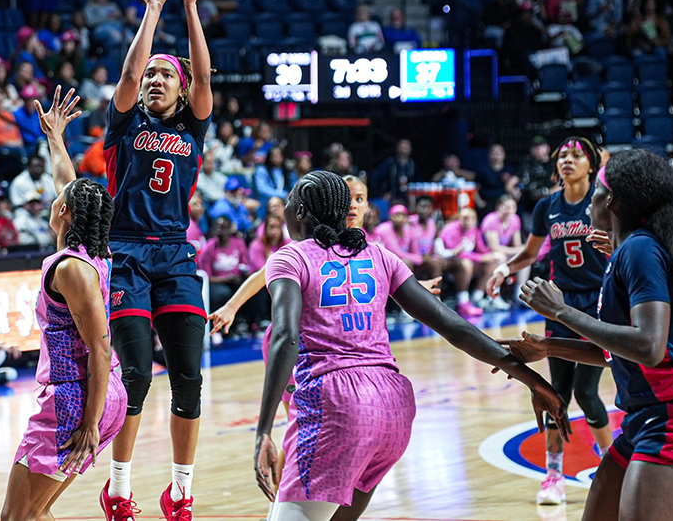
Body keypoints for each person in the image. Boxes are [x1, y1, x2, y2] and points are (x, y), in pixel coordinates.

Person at [253, 171, 568, 521]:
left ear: (298, 212)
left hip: (338, 405)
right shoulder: (378, 255)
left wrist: (264, 428)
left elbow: (285, 337)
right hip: (393, 409)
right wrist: (532, 380)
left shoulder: (290, 257)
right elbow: (454, 326)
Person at [506, 149, 673, 521]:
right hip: (647, 416)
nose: (590, 197)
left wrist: (562, 312)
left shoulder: (640, 249)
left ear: (611, 200)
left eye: (596, 189)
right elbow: (618, 350)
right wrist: (549, 346)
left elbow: (648, 346)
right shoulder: (628, 250)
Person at [100, 0, 212, 519]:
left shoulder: (192, 127)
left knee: (189, 377)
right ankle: (118, 487)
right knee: (138, 375)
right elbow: (124, 78)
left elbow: (205, 79)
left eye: (165, 74)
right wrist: (154, 9)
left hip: (174, 255)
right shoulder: (125, 125)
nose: (153, 80)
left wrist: (191, 6)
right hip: (124, 254)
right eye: (150, 75)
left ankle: (181, 489)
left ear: (182, 87)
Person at [1, 88, 126, 521]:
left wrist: (89, 423)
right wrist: (54, 136)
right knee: (37, 513)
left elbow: (101, 347)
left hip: (76, 399)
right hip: (98, 394)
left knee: (15, 518)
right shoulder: (95, 255)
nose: (55, 199)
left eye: (61, 200)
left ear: (64, 212)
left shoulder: (71, 268)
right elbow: (65, 181)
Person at [485, 136, 612, 505]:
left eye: (576, 156)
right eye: (563, 156)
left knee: (588, 393)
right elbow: (529, 252)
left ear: (592, 164)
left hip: (598, 306)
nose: (567, 161)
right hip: (560, 305)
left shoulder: (601, 202)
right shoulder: (546, 207)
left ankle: (609, 464)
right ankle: (552, 475)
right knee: (556, 394)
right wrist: (505, 268)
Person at [435, 207, 502, 314]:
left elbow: (481, 249)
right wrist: (480, 258)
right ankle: (463, 302)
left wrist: (490, 255)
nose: (468, 221)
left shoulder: (474, 230)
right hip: (448, 263)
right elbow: (457, 253)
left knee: (492, 263)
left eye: (472, 219)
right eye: (465, 218)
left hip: (467, 262)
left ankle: (477, 298)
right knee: (466, 263)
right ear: (459, 218)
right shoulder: (450, 230)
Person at [198, 216, 251, 319]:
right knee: (224, 293)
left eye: (226, 228)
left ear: (231, 228)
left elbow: (244, 265)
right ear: (214, 230)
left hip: (235, 280)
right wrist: (226, 279)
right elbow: (206, 278)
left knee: (249, 287)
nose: (223, 232)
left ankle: (248, 322)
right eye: (219, 228)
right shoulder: (208, 248)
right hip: (217, 283)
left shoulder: (239, 243)